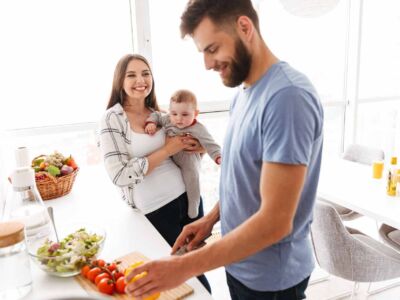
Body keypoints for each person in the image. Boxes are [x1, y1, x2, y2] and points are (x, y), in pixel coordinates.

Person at [125, 0, 324, 299]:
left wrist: (183, 268)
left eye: (212, 49)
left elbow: (275, 221)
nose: (207, 64)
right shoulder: (244, 95)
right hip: (240, 265)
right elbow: (244, 180)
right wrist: (211, 219)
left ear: (244, 27)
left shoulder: (287, 97)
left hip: (272, 280)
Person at [98, 54, 211, 293]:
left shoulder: (158, 113)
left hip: (190, 198)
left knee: (197, 270)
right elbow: (119, 175)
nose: (141, 80)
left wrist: (198, 147)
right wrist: (167, 148)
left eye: (145, 73)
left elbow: (185, 150)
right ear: (120, 81)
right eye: (132, 75)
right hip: (157, 210)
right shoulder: (112, 119)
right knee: (176, 280)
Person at [145, 89, 221, 218]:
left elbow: (210, 144)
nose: (179, 119)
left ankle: (194, 203)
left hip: (188, 160)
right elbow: (157, 115)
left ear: (195, 113)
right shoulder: (168, 120)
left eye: (185, 114)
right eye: (174, 113)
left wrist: (218, 157)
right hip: (170, 160)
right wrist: (151, 123)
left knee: (192, 176)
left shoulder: (198, 128)